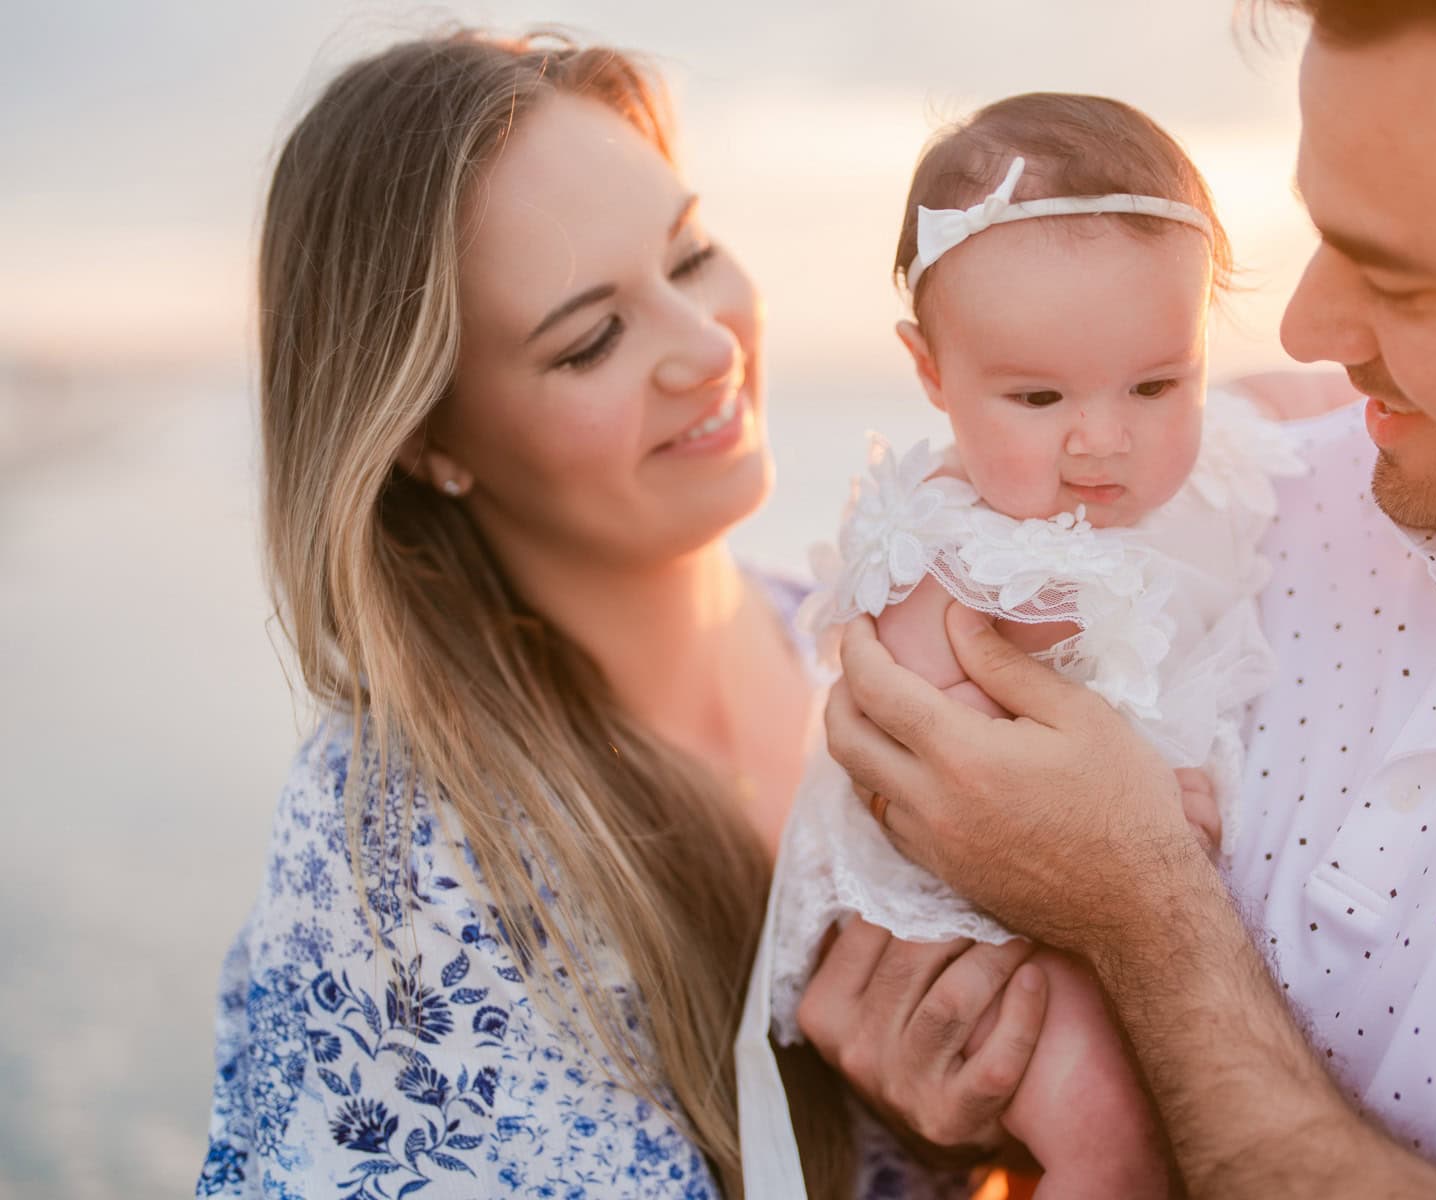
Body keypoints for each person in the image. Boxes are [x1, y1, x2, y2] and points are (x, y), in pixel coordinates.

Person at [806, 1, 1436, 1196]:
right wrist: (970, 1099)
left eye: (1401, 279)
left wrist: (1144, 917)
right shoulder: (1244, 480)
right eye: (1321, 235)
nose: (1304, 326)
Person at [195, 31, 1038, 1199]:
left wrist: (989, 1137)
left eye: (690, 258)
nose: (705, 348)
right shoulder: (400, 863)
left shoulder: (872, 651)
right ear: (428, 438)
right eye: (590, 338)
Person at [738, 95, 1302, 1198]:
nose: (1103, 437)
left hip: (1098, 901)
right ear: (932, 375)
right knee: (1110, 1132)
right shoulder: (953, 556)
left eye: (1157, 382)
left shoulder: (1215, 474)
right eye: (1038, 396)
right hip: (979, 926)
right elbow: (948, 766)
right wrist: (1135, 796)